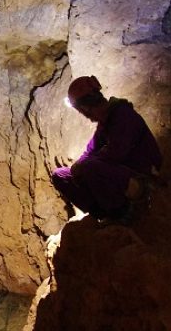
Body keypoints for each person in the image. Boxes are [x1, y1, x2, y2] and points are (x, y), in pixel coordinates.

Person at [50, 75, 162, 224]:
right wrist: (77, 166)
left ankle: (122, 213)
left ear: (85, 108)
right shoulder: (104, 124)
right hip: (117, 174)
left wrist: (85, 166)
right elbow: (89, 151)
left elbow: (116, 153)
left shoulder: (123, 116)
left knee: (90, 167)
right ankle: (103, 213)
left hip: (140, 175)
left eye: (81, 111)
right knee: (61, 175)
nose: (84, 115)